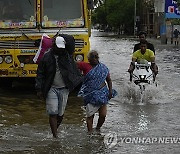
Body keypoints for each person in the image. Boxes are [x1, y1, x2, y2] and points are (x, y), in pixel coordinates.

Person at [35, 36, 83, 138]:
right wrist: (39, 88)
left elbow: (71, 42)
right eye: (58, 47)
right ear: (54, 45)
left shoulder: (67, 56)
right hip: (51, 88)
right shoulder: (46, 57)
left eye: (62, 47)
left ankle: (54, 131)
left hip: (64, 88)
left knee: (60, 114)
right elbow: (40, 73)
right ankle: (55, 136)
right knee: (53, 112)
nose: (60, 49)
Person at [77, 50, 117, 133]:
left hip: (102, 93)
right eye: (93, 57)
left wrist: (110, 91)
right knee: (90, 115)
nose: (95, 59)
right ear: (89, 59)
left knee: (103, 115)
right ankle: (90, 133)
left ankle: (98, 128)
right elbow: (73, 65)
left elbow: (108, 80)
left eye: (96, 57)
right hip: (90, 94)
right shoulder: (85, 66)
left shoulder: (103, 68)